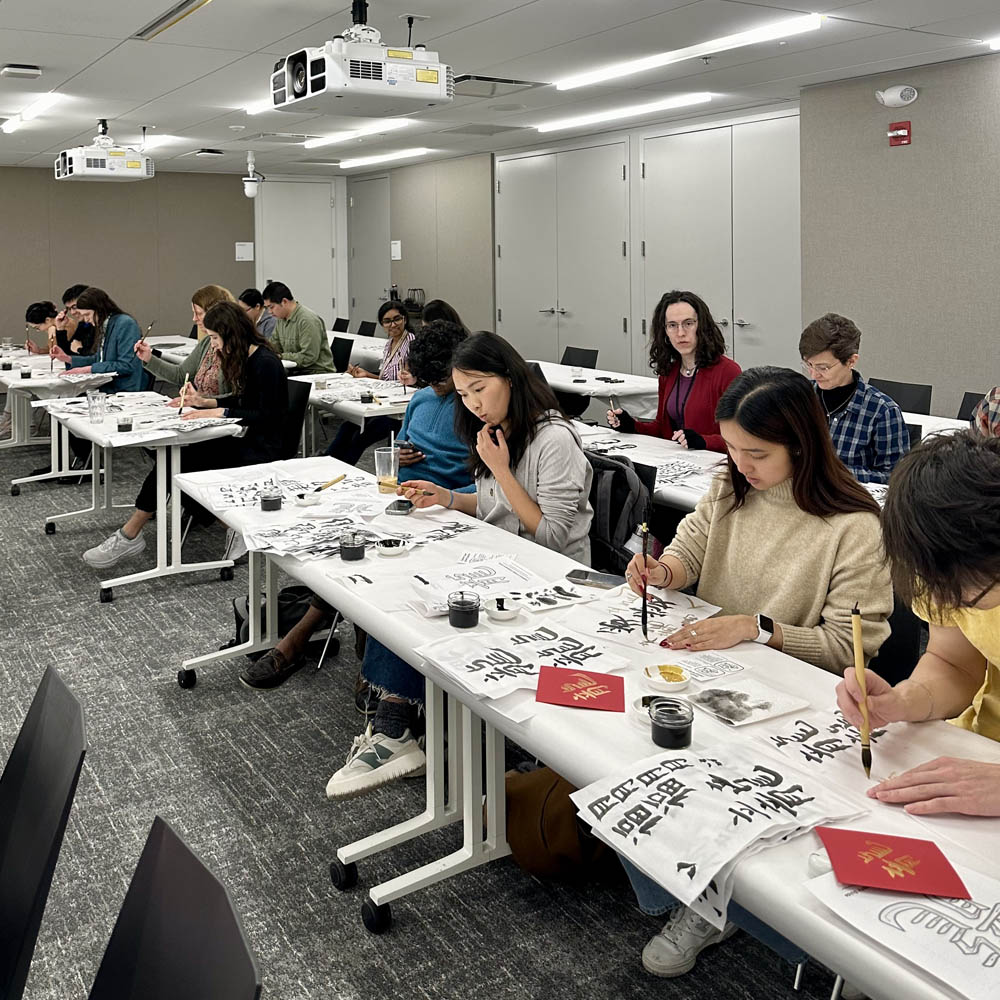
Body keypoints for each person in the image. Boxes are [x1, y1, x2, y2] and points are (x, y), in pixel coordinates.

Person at [620, 366, 893, 980]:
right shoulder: (731, 486)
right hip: (712, 672)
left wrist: (757, 627)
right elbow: (689, 551)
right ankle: (700, 883)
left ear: (801, 444)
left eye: (756, 453)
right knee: (632, 743)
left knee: (697, 772)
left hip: (790, 700)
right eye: (733, 448)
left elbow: (851, 650)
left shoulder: (854, 527)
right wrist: (662, 572)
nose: (740, 464)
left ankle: (720, 901)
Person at [324, 332, 595, 798]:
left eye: (479, 390)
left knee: (430, 593)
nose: (473, 405)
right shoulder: (494, 430)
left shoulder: (555, 438)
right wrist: (448, 497)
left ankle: (396, 729)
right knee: (409, 581)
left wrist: (502, 468)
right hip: (504, 563)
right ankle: (397, 727)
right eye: (465, 395)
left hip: (550, 580)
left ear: (510, 378)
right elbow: (496, 505)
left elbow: (550, 535)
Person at [240, 319, 475, 690]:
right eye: (429, 382)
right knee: (348, 546)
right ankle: (326, 642)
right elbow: (401, 448)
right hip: (406, 500)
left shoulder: (474, 405)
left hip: (450, 508)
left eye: (443, 382)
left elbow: (486, 483)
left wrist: (445, 492)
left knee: (382, 560)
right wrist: (402, 454)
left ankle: (302, 639)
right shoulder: (423, 398)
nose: (437, 389)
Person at [837, 432, 1000, 817]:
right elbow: (955, 663)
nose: (943, 604)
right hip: (978, 749)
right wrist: (903, 701)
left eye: (965, 595)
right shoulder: (942, 565)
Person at [81, 302, 288, 569]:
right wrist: (205, 403)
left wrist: (219, 412)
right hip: (241, 434)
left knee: (179, 463)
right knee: (174, 460)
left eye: (214, 337)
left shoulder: (265, 362)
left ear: (231, 334)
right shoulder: (249, 359)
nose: (212, 344)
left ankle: (131, 534)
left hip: (262, 443)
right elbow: (243, 400)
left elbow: (268, 415)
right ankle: (136, 532)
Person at [608, 290, 740, 453]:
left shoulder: (727, 371)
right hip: (677, 462)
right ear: (664, 332)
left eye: (688, 323)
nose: (680, 333)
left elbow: (742, 438)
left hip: (714, 465)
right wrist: (632, 425)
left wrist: (704, 441)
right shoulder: (669, 372)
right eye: (672, 325)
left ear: (702, 326)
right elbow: (662, 430)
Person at [798, 313, 908, 484]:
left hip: (849, 499)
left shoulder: (882, 410)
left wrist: (836, 473)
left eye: (823, 368)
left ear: (851, 361)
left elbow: (895, 477)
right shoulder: (801, 398)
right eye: (808, 365)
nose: (813, 374)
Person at [324, 300, 415, 464]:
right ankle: (326, 466)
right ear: (382, 324)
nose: (393, 324)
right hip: (381, 402)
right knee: (347, 427)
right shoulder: (389, 345)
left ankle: (341, 469)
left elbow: (409, 381)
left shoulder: (412, 343)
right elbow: (385, 379)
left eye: (397, 319)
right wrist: (366, 375)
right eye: (387, 321)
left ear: (405, 319)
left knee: (360, 438)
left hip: (396, 409)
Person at [135, 285, 235, 394]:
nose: (194, 319)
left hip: (214, 410)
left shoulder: (239, 346)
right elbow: (181, 374)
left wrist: (201, 400)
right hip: (202, 409)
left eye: (199, 313)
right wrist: (148, 358)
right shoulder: (207, 343)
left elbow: (239, 399)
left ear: (215, 312)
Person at [51, 287, 144, 392]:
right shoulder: (104, 325)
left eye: (87, 315)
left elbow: (126, 365)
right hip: (105, 386)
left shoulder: (125, 324)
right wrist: (68, 358)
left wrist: (86, 370)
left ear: (99, 309)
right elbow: (98, 359)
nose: (86, 320)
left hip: (123, 390)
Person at [262, 280, 333, 374]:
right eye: (267, 308)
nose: (269, 312)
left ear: (284, 301)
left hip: (315, 373)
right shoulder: (281, 319)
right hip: (294, 371)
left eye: (271, 307)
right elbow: (274, 346)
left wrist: (280, 356)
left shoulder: (307, 320)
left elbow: (308, 357)